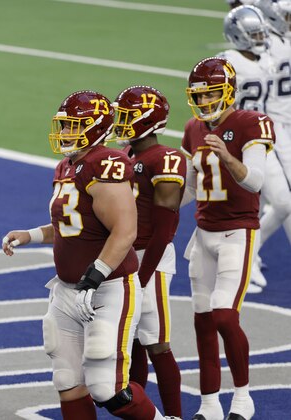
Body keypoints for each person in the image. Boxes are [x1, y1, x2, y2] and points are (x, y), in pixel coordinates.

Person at [2, 90, 164, 420]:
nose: (64, 133)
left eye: (72, 126)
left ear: (96, 126)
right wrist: (31, 235)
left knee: (107, 388)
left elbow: (125, 231)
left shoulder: (106, 163)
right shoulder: (66, 165)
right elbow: (70, 225)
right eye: (63, 126)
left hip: (108, 287)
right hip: (67, 288)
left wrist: (95, 274)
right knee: (67, 380)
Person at [182, 57, 274, 420]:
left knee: (223, 315)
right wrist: (150, 194)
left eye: (211, 95)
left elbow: (255, 182)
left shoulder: (251, 123)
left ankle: (242, 396)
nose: (204, 103)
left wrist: (226, 156)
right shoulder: (193, 128)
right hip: (203, 233)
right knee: (202, 320)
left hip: (238, 232)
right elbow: (191, 190)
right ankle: (208, 404)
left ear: (230, 91)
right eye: (199, 96)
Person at [112, 85, 184, 419]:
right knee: (132, 342)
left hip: (148, 259)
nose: (119, 121)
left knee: (156, 342)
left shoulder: (166, 158)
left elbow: (164, 229)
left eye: (126, 115)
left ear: (148, 120)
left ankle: (174, 414)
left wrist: (141, 276)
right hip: (126, 255)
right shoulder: (127, 154)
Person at [221, 4, 291, 292]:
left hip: (263, 138)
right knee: (238, 208)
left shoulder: (265, 58)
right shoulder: (227, 60)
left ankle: (248, 256)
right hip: (238, 142)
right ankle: (239, 264)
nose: (261, 38)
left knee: (281, 202)